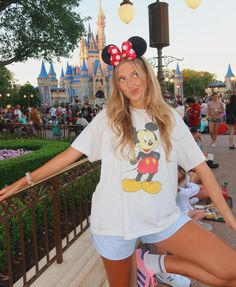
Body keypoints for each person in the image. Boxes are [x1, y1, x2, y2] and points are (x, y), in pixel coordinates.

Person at [0, 36, 236, 287]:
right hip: (114, 223)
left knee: (229, 271)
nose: (129, 84)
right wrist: (24, 181)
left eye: (134, 75)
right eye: (121, 79)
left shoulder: (169, 117)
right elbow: (70, 154)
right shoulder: (108, 118)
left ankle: (153, 264)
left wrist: (230, 220)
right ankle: (148, 264)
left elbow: (202, 169)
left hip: (162, 217)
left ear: (146, 74)